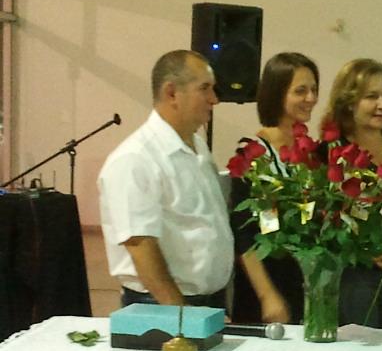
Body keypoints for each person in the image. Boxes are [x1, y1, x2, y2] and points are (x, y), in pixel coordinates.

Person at [98, 49, 233, 308]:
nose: (214, 99)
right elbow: (140, 245)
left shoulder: (198, 147)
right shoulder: (135, 158)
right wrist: (181, 316)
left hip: (206, 300)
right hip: (162, 304)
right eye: (204, 88)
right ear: (172, 93)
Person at [320, 58, 382, 329]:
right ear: (349, 101)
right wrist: (364, 249)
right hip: (350, 277)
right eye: (371, 96)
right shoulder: (330, 153)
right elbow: (321, 223)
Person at [230, 52, 319, 324]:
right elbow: (244, 236)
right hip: (265, 285)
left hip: (302, 280)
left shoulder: (311, 152)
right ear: (277, 93)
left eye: (314, 90)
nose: (311, 98)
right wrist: (267, 295)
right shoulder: (253, 155)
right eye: (300, 91)